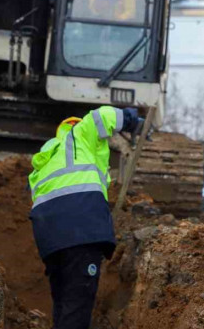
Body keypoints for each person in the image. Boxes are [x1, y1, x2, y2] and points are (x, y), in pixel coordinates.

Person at [28, 106, 142, 328]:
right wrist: (130, 119)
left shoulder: (44, 160)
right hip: (80, 233)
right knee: (78, 303)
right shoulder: (79, 133)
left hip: (50, 240)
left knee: (63, 302)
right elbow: (100, 117)